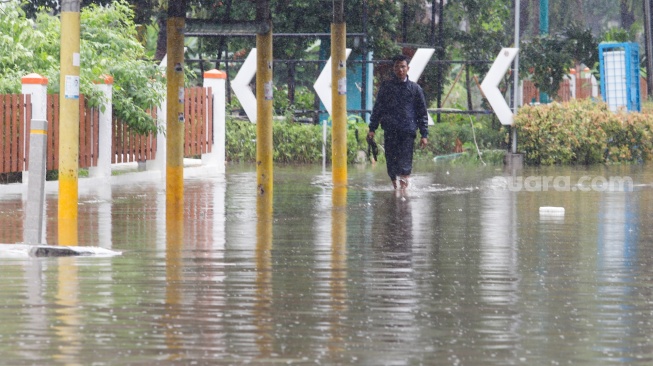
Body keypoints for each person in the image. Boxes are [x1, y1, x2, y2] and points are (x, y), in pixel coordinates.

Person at [367, 54, 429, 190]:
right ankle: (396, 191)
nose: (400, 70)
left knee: (405, 163)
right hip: (390, 130)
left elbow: (422, 113)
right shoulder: (386, 87)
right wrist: (372, 128)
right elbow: (378, 109)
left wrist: (424, 134)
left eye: (403, 67)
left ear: (408, 68)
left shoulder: (415, 89)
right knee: (391, 162)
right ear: (393, 68)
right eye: (397, 67)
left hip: (408, 132)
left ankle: (404, 193)